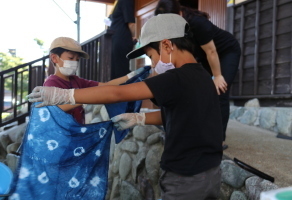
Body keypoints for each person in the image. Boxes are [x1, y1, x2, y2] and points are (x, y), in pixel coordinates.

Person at [28, 14, 223, 200]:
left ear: (166, 45)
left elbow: (117, 93)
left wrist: (65, 95)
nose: (153, 64)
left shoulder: (175, 78)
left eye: (150, 55)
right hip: (211, 172)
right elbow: (178, 115)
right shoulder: (203, 77)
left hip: (185, 178)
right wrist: (140, 118)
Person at [155, 0, 241, 150]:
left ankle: (218, 141)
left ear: (179, 13)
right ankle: (201, 131)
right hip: (205, 57)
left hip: (225, 52)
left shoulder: (197, 23)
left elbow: (211, 51)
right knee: (199, 91)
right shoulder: (173, 27)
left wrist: (218, 76)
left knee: (219, 92)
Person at [45, 36, 144, 124]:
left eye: (77, 59)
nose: (74, 62)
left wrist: (130, 76)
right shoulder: (51, 83)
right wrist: (86, 97)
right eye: (71, 58)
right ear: (54, 58)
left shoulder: (76, 80)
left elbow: (106, 85)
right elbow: (57, 108)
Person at [109, 0, 136, 79]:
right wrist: (133, 36)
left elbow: (130, 23)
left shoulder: (121, 2)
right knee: (119, 70)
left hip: (118, 39)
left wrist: (133, 36)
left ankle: (118, 90)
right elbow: (130, 23)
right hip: (119, 39)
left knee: (118, 70)